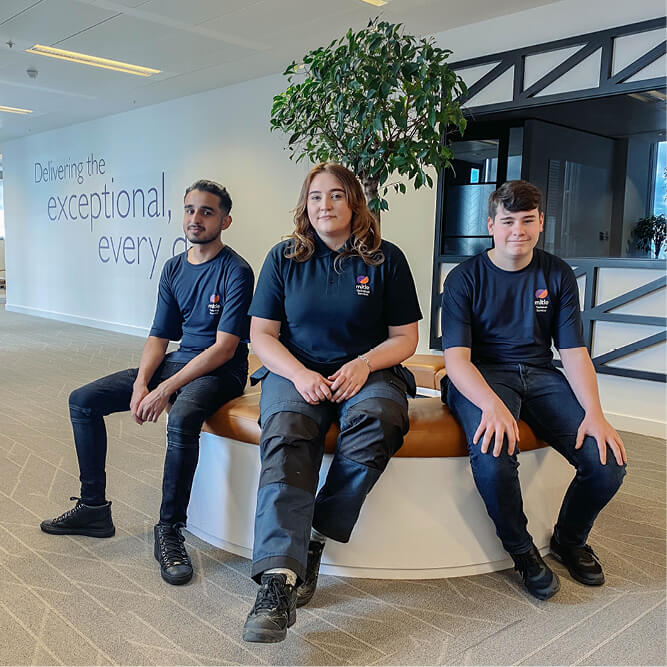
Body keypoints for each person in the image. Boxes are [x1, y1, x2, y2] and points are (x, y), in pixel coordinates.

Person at [40, 179, 254, 587]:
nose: (196, 218)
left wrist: (165, 389)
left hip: (221, 371)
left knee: (182, 417)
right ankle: (93, 507)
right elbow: (159, 336)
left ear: (225, 220)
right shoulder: (174, 267)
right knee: (83, 400)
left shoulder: (236, 270)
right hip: (180, 361)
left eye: (207, 212)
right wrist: (142, 384)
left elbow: (225, 348)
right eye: (190, 209)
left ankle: (169, 529)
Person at [242, 162, 421, 643]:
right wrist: (299, 374)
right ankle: (277, 584)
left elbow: (406, 337)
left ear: (354, 203)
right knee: (287, 434)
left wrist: (364, 364)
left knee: (380, 419)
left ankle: (317, 532)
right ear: (305, 204)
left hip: (368, 370)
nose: (326, 205)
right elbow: (262, 334)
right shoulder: (283, 258)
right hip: (296, 371)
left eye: (337, 195)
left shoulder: (386, 259)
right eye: (317, 196)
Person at [441, 180, 627, 600]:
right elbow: (457, 359)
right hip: (481, 375)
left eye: (527, 221)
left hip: (541, 374)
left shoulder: (556, 273)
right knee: (493, 460)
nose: (517, 231)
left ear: (541, 222)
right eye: (508, 221)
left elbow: (574, 351)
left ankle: (569, 540)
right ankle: (523, 553)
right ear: (491, 225)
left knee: (606, 462)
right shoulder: (464, 278)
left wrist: (595, 414)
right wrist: (491, 404)